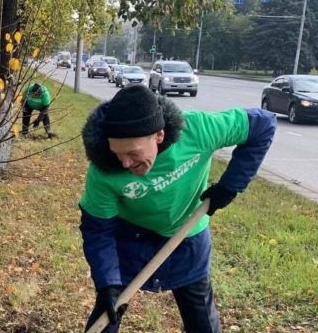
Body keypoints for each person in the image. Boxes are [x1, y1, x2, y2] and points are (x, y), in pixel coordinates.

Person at [79, 85, 276, 332]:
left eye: (132, 153)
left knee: (201, 319)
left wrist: (230, 186)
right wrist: (106, 283)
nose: (125, 163)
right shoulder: (102, 171)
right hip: (131, 236)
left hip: (187, 233)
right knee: (108, 310)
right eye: (118, 154)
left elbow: (263, 125)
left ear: (159, 135)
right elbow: (98, 230)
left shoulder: (198, 130)